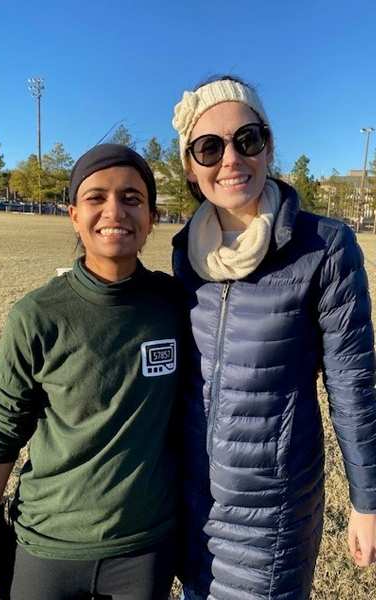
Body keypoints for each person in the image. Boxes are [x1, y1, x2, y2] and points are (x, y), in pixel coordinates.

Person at [171, 75, 376, 600]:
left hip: (272, 515)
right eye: (209, 147)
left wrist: (366, 502)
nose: (231, 159)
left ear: (268, 145)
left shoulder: (325, 246)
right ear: (192, 168)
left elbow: (353, 384)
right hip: (191, 506)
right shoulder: (184, 252)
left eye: (248, 139)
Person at [0, 143, 184, 600]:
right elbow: (2, 436)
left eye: (132, 199)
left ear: (151, 218)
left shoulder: (176, 305)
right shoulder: (36, 315)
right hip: (46, 546)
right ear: (73, 214)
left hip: (144, 548)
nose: (115, 210)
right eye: (96, 197)